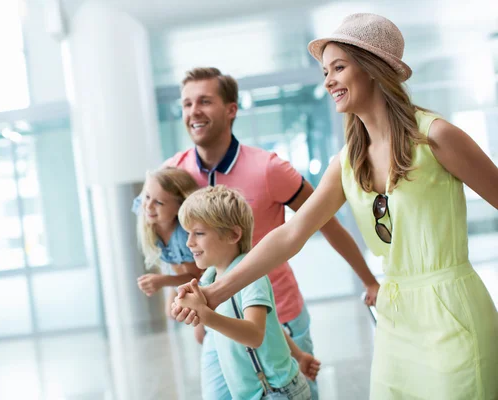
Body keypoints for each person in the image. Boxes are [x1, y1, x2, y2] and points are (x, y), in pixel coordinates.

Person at [174, 13, 498, 400]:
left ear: (375, 69)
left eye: (338, 67)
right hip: (397, 322)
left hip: (453, 314)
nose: (327, 81)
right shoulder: (347, 162)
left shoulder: (436, 137)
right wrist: (215, 293)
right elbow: (291, 235)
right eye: (325, 71)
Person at [159, 66, 379, 400]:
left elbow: (326, 222)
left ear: (231, 109)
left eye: (204, 101)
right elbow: (169, 243)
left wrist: (368, 279)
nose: (193, 112)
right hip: (217, 320)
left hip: (280, 316)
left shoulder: (269, 168)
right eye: (187, 104)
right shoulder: (173, 174)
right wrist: (197, 310)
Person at [177, 185, 319, 399]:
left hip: (276, 392)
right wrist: (299, 355)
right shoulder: (210, 277)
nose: (189, 242)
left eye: (198, 233)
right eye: (188, 233)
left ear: (233, 234)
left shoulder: (251, 276)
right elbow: (272, 325)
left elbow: (255, 334)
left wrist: (207, 316)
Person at [136, 167, 203, 317]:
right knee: (170, 314)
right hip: (176, 271)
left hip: (200, 283)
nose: (148, 206)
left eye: (159, 203)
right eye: (147, 197)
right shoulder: (146, 212)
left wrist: (163, 281)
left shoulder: (184, 237)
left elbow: (196, 277)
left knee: (198, 330)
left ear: (179, 208)